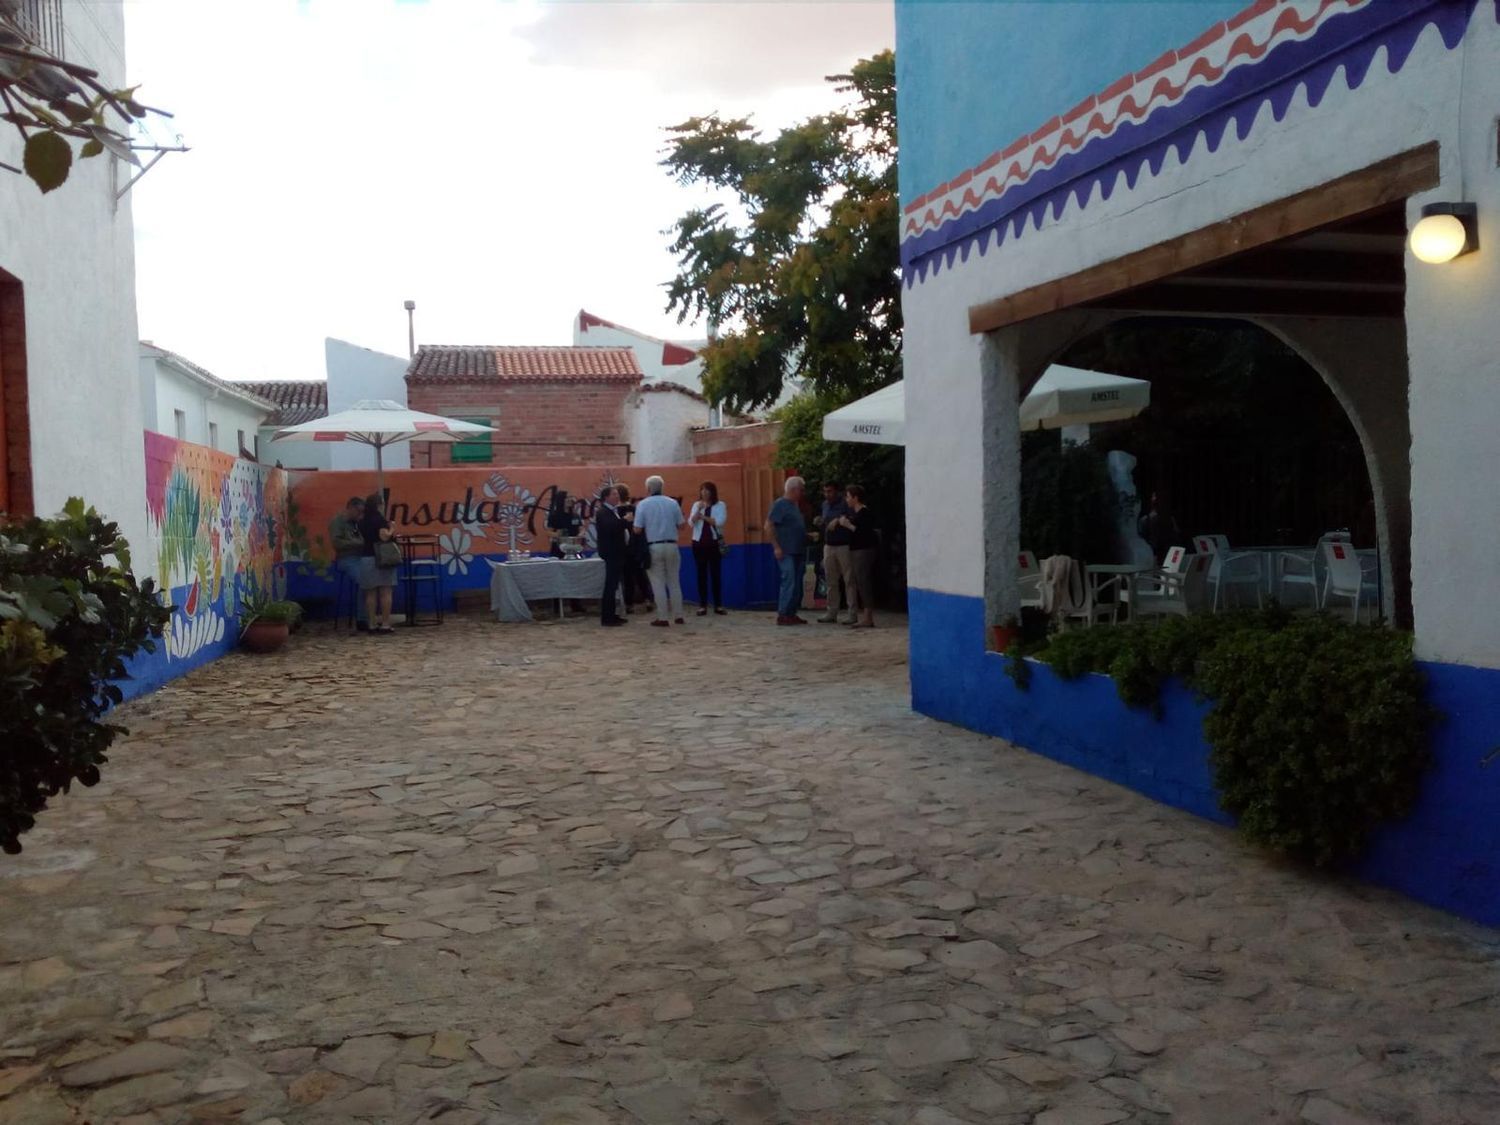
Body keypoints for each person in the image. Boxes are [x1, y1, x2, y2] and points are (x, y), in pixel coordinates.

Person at [632, 475, 686, 627]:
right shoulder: (673, 503)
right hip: (672, 544)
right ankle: (679, 615)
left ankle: (662, 616)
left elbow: (637, 529)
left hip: (653, 545)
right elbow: (682, 525)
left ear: (648, 489)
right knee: (674, 581)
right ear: (662, 488)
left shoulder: (643, 505)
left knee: (658, 583)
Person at [765, 476, 808, 625]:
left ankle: (791, 612)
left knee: (797, 583)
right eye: (801, 490)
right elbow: (769, 526)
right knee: (789, 581)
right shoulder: (780, 505)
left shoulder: (793, 505)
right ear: (794, 489)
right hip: (786, 550)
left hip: (797, 549)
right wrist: (776, 547)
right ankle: (783, 613)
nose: (802, 493)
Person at [837, 484, 879, 628]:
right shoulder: (854, 513)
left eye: (848, 496)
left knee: (864, 581)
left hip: (864, 550)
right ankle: (866, 615)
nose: (846, 499)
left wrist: (848, 525)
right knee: (860, 582)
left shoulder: (864, 513)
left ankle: (868, 616)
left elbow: (864, 533)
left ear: (855, 498)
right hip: (856, 550)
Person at [358, 492, 398, 634]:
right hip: (382, 559)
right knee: (385, 591)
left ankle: (372, 624)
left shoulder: (362, 521)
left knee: (370, 593)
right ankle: (385, 624)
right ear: (379, 505)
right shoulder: (380, 520)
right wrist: (392, 528)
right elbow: (384, 537)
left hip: (365, 558)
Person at [689, 481, 728, 617]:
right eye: (702, 490)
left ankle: (718, 604)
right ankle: (702, 605)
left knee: (715, 574)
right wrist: (698, 511)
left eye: (707, 490)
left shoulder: (720, 505)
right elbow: (690, 523)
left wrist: (704, 516)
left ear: (712, 492)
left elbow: (719, 521)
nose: (704, 493)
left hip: (714, 543)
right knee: (701, 575)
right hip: (699, 544)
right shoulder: (696, 505)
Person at [817, 481, 854, 624]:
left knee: (849, 580)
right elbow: (826, 522)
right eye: (825, 491)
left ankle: (852, 613)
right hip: (829, 545)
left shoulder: (844, 503)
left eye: (830, 491)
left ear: (837, 491)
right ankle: (831, 612)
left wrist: (838, 520)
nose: (827, 494)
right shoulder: (824, 505)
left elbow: (852, 518)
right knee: (831, 581)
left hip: (843, 545)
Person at [328, 495, 368, 629]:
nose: (360, 515)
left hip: (362, 558)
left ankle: (369, 616)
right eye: (358, 511)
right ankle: (362, 619)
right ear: (350, 508)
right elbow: (337, 543)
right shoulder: (338, 522)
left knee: (374, 580)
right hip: (347, 559)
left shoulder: (358, 523)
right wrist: (358, 543)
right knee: (364, 581)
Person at [594, 486, 629, 627]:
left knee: (614, 585)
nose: (617, 496)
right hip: (611, 553)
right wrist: (625, 521)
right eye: (614, 494)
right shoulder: (603, 512)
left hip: (617, 552)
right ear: (606, 497)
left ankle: (612, 614)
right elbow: (611, 527)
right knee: (610, 585)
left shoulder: (613, 511)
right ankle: (607, 617)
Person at [616, 484, 654, 614]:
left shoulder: (615, 511)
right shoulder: (634, 509)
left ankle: (629, 604)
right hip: (636, 545)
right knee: (640, 575)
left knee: (627, 577)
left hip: (623, 546)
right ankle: (648, 599)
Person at [1139, 490, 1181, 564]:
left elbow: (1176, 535)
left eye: (1157, 497)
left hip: (1167, 555)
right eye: (1154, 496)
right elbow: (1142, 538)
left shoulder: (1169, 518)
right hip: (1153, 554)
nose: (1155, 499)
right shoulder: (1145, 520)